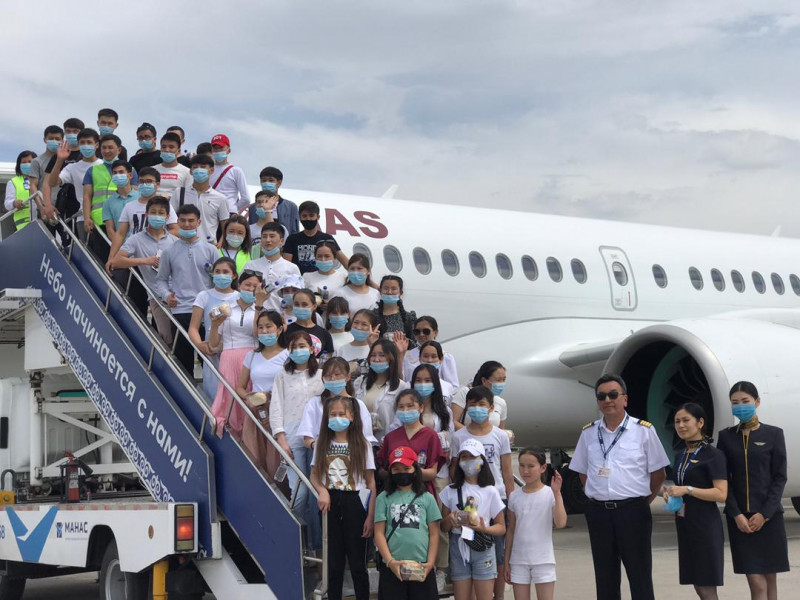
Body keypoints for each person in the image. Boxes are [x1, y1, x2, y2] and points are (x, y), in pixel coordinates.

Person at [568, 374, 670, 600]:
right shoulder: (588, 433)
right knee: (605, 576)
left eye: (613, 395)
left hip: (633, 511)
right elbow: (583, 472)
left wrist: (642, 501)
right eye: (602, 396)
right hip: (598, 513)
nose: (607, 400)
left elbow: (659, 473)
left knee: (639, 575)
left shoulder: (643, 431)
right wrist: (599, 494)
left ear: (625, 399)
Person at [717, 381, 789, 600]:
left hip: (769, 518)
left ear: (757, 402)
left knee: (770, 579)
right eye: (735, 403)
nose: (740, 406)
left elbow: (779, 477)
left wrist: (765, 514)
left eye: (745, 401)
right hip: (741, 521)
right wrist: (736, 513)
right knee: (756, 583)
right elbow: (723, 480)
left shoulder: (774, 434)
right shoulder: (726, 437)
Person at [310, 394, 376, 600]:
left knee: (358, 564)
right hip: (330, 503)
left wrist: (370, 516)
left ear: (352, 416)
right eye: (333, 414)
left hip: (355, 501)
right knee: (334, 564)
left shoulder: (363, 444)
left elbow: (371, 482)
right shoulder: (321, 442)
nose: (337, 418)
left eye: (341, 414)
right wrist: (322, 491)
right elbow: (314, 475)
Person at [451, 385, 515, 599]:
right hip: (467, 501)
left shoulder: (500, 436)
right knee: (470, 547)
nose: (477, 408)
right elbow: (454, 469)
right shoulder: (459, 436)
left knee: (497, 551)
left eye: (482, 404)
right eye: (472, 405)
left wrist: (511, 503)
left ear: (491, 408)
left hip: (496, 498)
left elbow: (507, 472)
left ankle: (498, 595)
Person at [662, 403, 727, 600]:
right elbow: (680, 485)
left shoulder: (713, 455)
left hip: (705, 526)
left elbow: (721, 494)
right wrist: (670, 493)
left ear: (700, 423)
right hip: (685, 524)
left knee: (706, 587)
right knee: (698, 585)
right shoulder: (681, 455)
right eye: (677, 421)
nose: (681, 425)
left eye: (686, 420)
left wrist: (688, 490)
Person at [271, 330, 324, 545]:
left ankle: (316, 544)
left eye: (302, 346)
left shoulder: (321, 375)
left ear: (311, 349)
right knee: (300, 493)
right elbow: (276, 407)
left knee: (317, 493)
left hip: (317, 437)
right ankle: (294, 538)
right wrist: (281, 438)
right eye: (293, 347)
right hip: (292, 436)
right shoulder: (282, 375)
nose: (298, 351)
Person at [154, 204, 218, 376]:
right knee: (183, 363)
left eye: (191, 221)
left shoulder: (211, 250)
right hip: (180, 310)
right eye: (182, 220)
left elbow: (219, 280)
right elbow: (160, 280)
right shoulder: (168, 251)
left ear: (199, 222)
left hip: (207, 312)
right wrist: (167, 296)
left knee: (210, 361)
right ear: (177, 222)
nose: (187, 224)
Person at [440, 438, 506, 600]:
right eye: (464, 457)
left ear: (482, 460)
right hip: (458, 545)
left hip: (482, 545)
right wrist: (450, 519)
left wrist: (484, 528)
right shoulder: (450, 491)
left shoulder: (490, 491)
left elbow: (501, 527)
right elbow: (443, 527)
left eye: (473, 456)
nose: (468, 461)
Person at [374, 446, 441, 600]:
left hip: (421, 566)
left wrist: (430, 563)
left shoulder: (427, 498)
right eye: (396, 469)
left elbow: (434, 533)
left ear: (415, 469)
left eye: (406, 468)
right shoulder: (383, 498)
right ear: (390, 472)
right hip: (392, 566)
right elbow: (379, 533)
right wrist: (390, 562)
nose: (402, 473)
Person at [504, 448, 567, 600]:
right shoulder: (514, 496)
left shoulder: (550, 493)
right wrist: (506, 561)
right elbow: (511, 530)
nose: (525, 471)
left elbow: (560, 523)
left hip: (543, 559)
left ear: (543, 467)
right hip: (518, 560)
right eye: (522, 465)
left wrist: (557, 493)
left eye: (531, 466)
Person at [112, 196, 176, 345]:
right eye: (153, 212)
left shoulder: (174, 240)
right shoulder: (136, 239)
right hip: (157, 297)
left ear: (167, 217)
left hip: (179, 295)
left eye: (161, 213)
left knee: (183, 339)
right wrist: (145, 261)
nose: (157, 216)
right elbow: (117, 261)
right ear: (146, 215)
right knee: (167, 340)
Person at [208, 269, 260, 437]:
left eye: (255, 287)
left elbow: (259, 334)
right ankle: (231, 428)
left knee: (249, 392)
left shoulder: (262, 310)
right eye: (247, 285)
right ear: (239, 285)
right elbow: (213, 344)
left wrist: (259, 307)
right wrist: (214, 325)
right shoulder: (225, 308)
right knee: (229, 392)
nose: (250, 289)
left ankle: (250, 432)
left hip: (253, 356)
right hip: (229, 356)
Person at [237, 309, 288, 473]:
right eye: (260, 327)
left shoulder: (288, 355)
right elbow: (240, 387)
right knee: (254, 456)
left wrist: (270, 397)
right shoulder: (252, 355)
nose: (264, 331)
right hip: (256, 412)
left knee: (276, 459)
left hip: (280, 412)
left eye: (269, 326)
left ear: (279, 329)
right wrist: (252, 398)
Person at [297, 357, 377, 452]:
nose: (332, 379)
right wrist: (318, 446)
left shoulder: (358, 405)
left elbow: (367, 438)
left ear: (348, 377)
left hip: (353, 456)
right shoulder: (314, 403)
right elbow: (307, 438)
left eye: (337, 374)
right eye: (328, 376)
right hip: (321, 455)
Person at [188, 257, 240, 401]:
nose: (221, 275)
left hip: (234, 352)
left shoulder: (240, 297)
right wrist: (200, 345)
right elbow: (193, 328)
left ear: (234, 275)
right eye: (217, 271)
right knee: (213, 395)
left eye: (225, 272)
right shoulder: (204, 296)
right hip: (211, 353)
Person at [378, 389, 444, 498]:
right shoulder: (390, 437)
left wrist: (409, 472)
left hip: (421, 494)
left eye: (410, 406)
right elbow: (381, 471)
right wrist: (395, 473)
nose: (405, 410)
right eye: (401, 407)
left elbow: (432, 473)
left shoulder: (431, 436)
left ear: (421, 408)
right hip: (394, 494)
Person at [46, 128, 100, 239]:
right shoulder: (73, 167)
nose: (86, 145)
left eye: (89, 142)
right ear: (78, 145)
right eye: (82, 143)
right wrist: (60, 160)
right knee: (86, 249)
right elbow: (52, 182)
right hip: (83, 218)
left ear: (96, 145)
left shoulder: (104, 165)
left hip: (104, 216)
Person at [354, 339, 408, 443]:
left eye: (382, 355)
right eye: (373, 355)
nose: (376, 359)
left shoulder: (401, 387)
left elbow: (399, 420)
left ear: (391, 358)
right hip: (361, 440)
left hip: (387, 442)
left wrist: (388, 439)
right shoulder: (360, 382)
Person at [169, 154, 229, 244]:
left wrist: (221, 243)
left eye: (203, 167)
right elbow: (171, 220)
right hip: (182, 245)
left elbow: (226, 225)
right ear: (190, 171)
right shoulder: (179, 193)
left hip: (208, 246)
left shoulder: (220, 198)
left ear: (212, 170)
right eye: (195, 167)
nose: (199, 170)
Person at [282, 201, 348, 274]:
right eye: (304, 216)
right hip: (299, 280)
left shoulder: (327, 238)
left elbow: (345, 261)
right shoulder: (292, 239)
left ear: (318, 217)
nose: (308, 219)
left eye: (311, 215)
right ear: (299, 218)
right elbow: (286, 266)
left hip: (321, 278)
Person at [41, 117, 85, 224]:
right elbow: (46, 183)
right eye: (68, 131)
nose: (71, 134)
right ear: (64, 132)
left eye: (75, 131)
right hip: (65, 200)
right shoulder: (57, 156)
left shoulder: (88, 154)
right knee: (66, 232)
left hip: (85, 199)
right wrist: (48, 205)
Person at [113, 168, 178, 239]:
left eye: (149, 181)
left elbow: (176, 230)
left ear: (157, 184)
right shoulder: (129, 206)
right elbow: (120, 234)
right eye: (141, 181)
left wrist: (158, 237)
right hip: (134, 245)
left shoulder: (165, 205)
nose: (144, 184)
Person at [242, 222, 301, 293]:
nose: (268, 240)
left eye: (272, 236)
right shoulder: (250, 266)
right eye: (264, 236)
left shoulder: (292, 268)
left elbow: (297, 294)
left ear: (281, 241)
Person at [403, 316, 459, 387]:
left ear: (435, 332)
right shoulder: (407, 356)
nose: (421, 334)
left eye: (426, 331)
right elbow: (403, 381)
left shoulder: (446, 356)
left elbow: (453, 386)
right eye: (417, 331)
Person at [452, 361, 508, 429]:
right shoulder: (466, 392)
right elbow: (453, 422)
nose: (502, 383)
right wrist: (472, 434)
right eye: (498, 380)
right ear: (484, 380)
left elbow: (501, 430)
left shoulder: (501, 402)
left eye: (504, 379)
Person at [285, 288, 334, 356]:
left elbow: (328, 358)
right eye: (296, 304)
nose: (300, 307)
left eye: (304, 304)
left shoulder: (324, 334)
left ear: (314, 306)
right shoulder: (286, 331)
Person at [250, 166, 298, 235]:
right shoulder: (253, 207)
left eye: (271, 180)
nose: (266, 183)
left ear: (279, 183)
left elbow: (295, 230)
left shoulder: (290, 206)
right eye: (264, 180)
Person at [209, 134, 250, 215]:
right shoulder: (207, 170)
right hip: (210, 212)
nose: (218, 151)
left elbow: (246, 198)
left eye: (221, 148)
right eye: (215, 148)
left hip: (228, 212)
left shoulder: (236, 171)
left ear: (228, 150)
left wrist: (233, 208)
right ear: (211, 150)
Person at [334, 308, 380, 376]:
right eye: (356, 322)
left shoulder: (376, 349)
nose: (358, 327)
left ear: (373, 328)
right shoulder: (342, 350)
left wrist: (372, 345)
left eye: (364, 324)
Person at [375, 275, 417, 344]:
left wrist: (406, 344)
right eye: (385, 288)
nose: (389, 292)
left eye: (393, 289)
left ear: (401, 292)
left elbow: (415, 344)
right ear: (380, 291)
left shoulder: (409, 317)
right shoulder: (372, 316)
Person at [4, 151, 37, 231]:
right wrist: (14, 203)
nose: (27, 164)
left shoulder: (42, 179)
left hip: (42, 221)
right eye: (23, 162)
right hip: (23, 226)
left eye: (30, 161)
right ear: (19, 165)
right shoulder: (13, 182)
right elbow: (7, 203)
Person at [155, 132, 192, 199]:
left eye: (171, 147)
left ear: (178, 150)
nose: (167, 150)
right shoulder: (152, 170)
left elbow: (189, 196)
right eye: (163, 147)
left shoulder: (187, 172)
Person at [28, 125, 63, 197]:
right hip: (44, 202)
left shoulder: (66, 160)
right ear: (44, 140)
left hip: (63, 202)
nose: (54, 141)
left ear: (62, 140)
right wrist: (40, 203)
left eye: (57, 139)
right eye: (51, 138)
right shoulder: (36, 161)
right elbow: (33, 186)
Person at [249, 190, 284, 257]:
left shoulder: (282, 229)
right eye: (259, 202)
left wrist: (268, 211)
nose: (262, 205)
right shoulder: (249, 229)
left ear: (274, 205)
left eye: (266, 202)